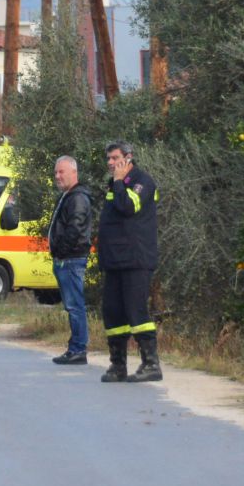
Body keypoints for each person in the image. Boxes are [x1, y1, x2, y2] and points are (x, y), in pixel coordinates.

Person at [98, 141, 162, 383]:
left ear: (128, 158)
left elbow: (127, 207)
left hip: (136, 259)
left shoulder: (142, 181)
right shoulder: (114, 184)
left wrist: (118, 182)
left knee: (136, 311)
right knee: (113, 313)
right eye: (109, 159)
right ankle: (118, 365)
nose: (111, 163)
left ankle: (151, 364)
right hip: (115, 261)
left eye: (115, 158)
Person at [48, 156, 93, 365]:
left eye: (61, 172)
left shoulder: (77, 198)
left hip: (71, 259)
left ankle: (78, 349)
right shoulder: (68, 196)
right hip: (66, 258)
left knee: (75, 306)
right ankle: (75, 347)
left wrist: (61, 251)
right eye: (56, 172)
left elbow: (75, 228)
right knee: (72, 305)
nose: (57, 176)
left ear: (74, 172)